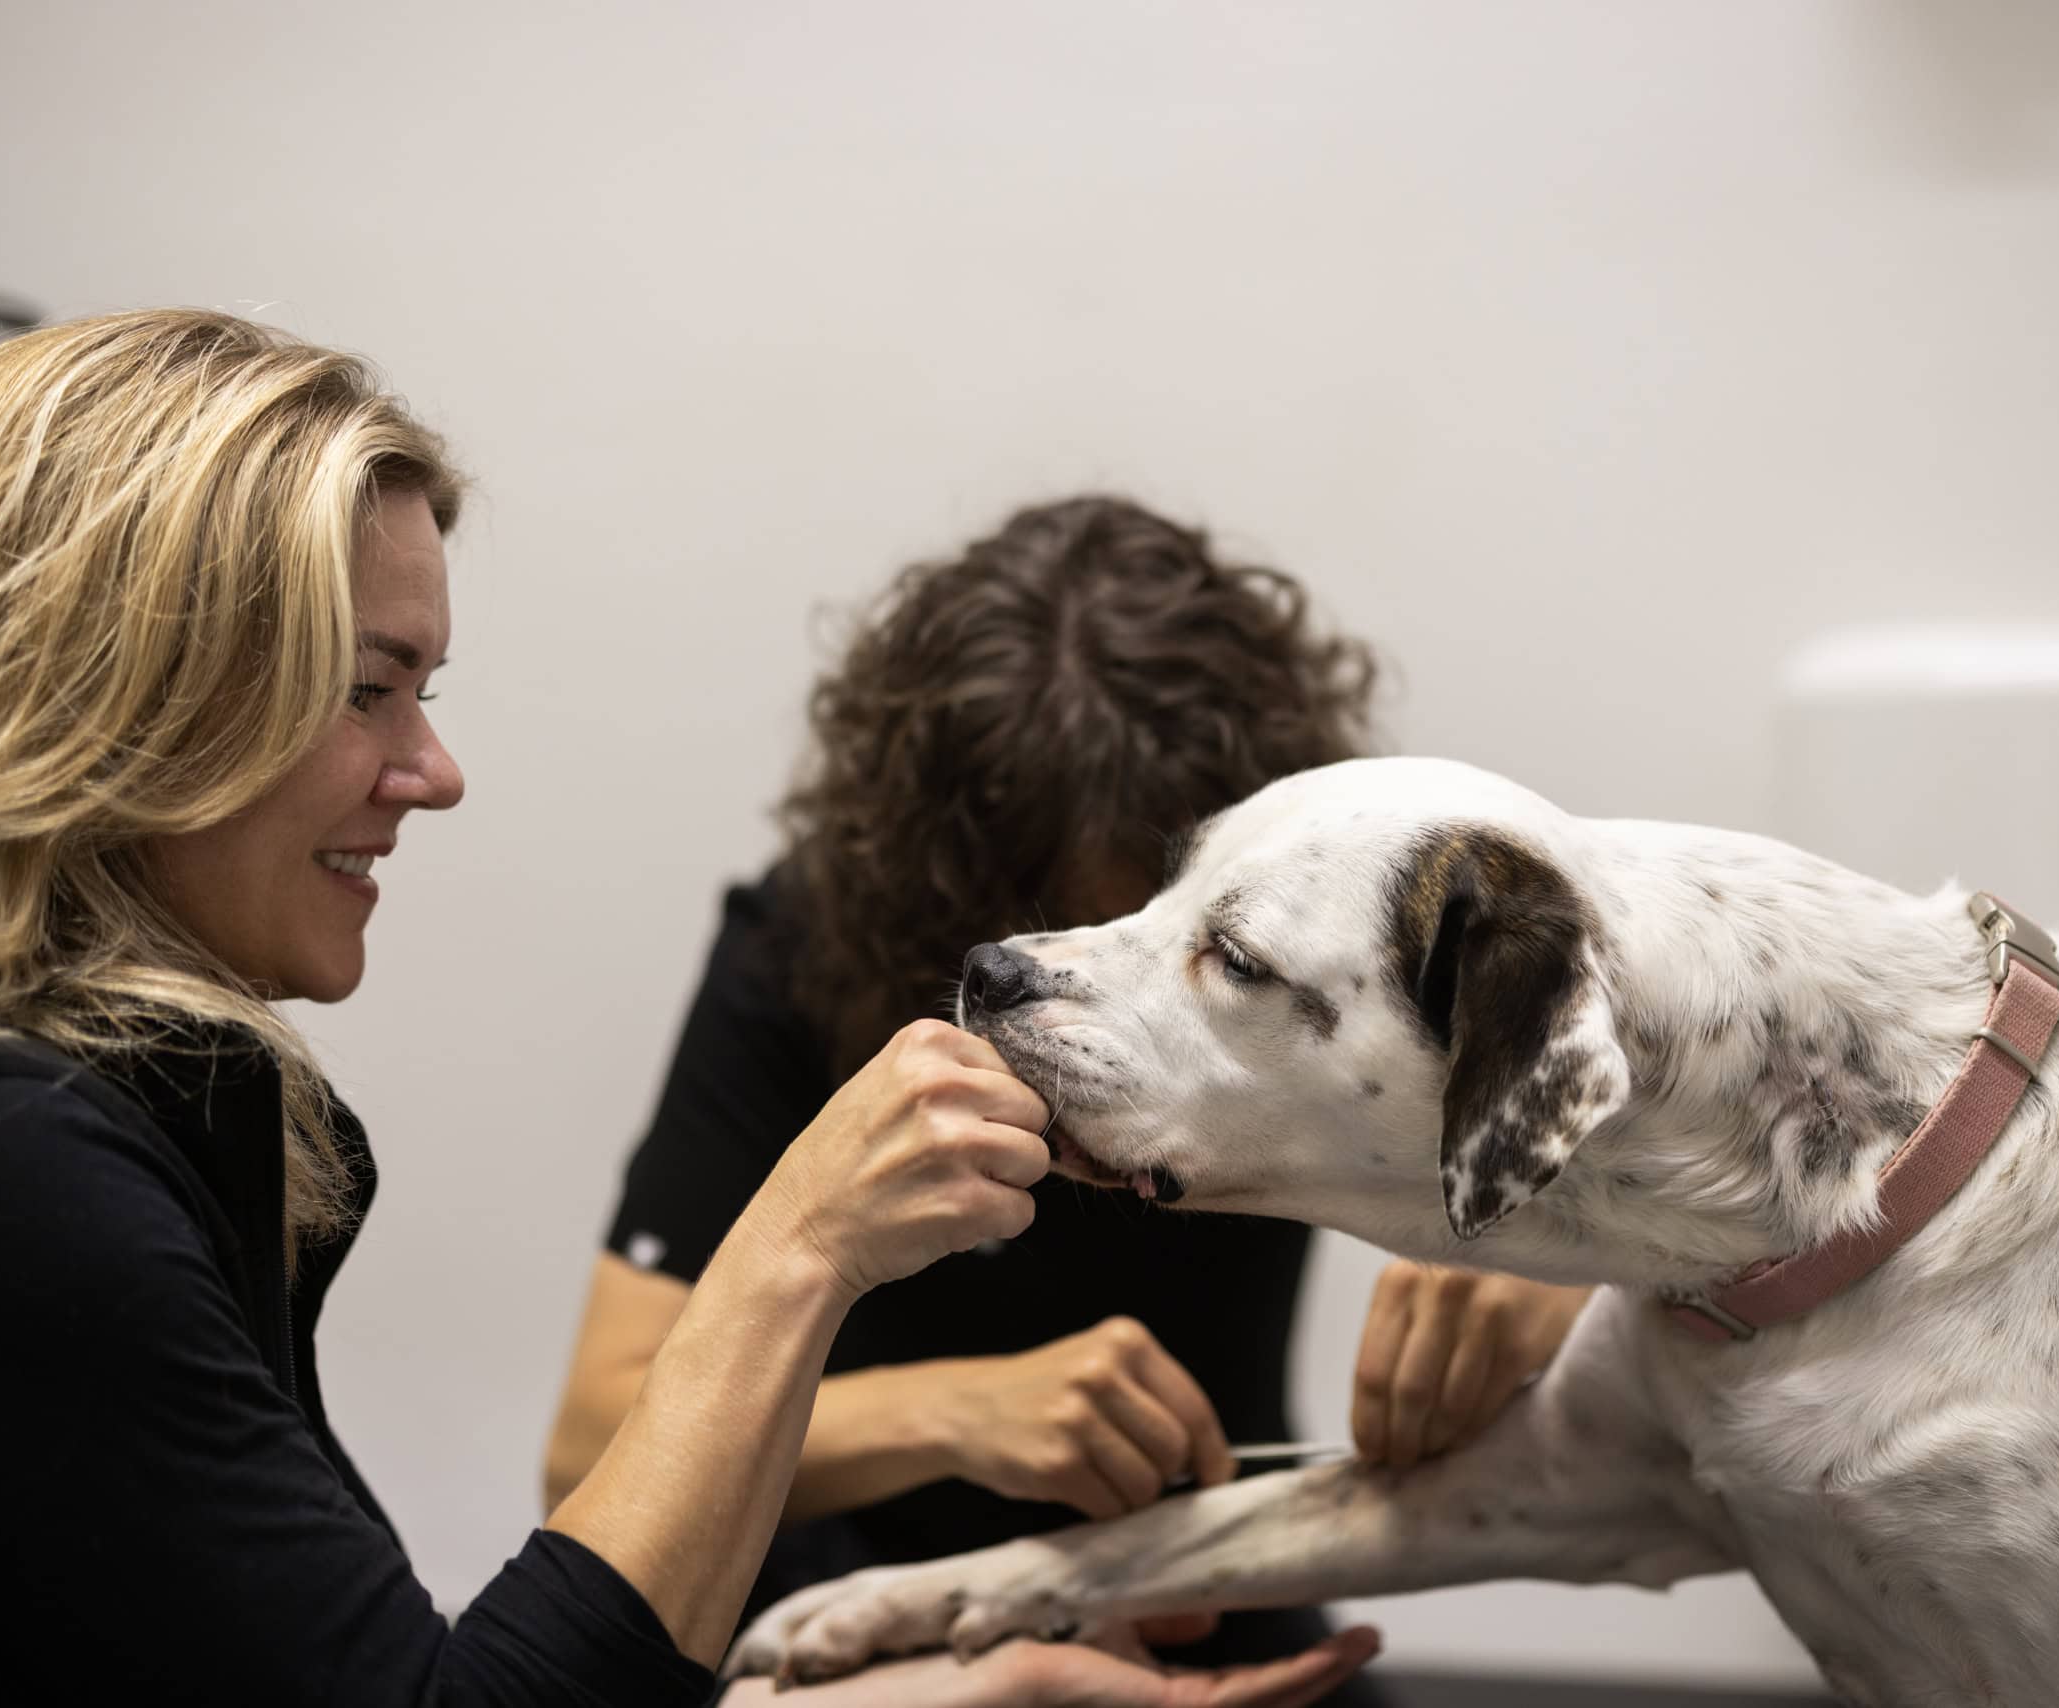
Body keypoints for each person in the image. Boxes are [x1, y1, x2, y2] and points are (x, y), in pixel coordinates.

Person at [0, 309, 1379, 1707]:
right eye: (369, 687)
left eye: (425, 691)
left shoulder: (71, 1127)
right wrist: (805, 1247)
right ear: (113, 692)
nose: (437, 772)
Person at [544, 497, 1592, 1701]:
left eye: (1219, 952)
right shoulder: (796, 952)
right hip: (859, 1641)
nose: (1110, 965)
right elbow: (589, 1450)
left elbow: (1637, 1177)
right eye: (1069, 914)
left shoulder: (1341, 968)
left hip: (1202, 1610)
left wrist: (1547, 1263)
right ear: (944, 876)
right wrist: (956, 1413)